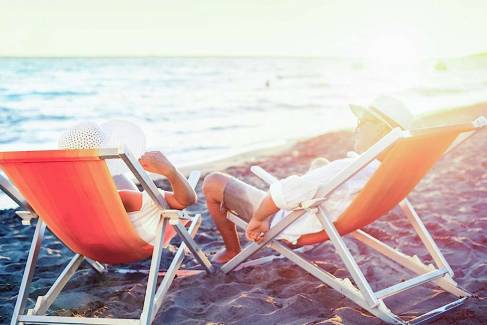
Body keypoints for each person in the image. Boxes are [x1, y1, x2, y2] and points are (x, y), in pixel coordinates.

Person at [202, 97, 415, 263]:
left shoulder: (346, 169)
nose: (357, 125)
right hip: (321, 213)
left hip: (287, 222)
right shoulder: (386, 170)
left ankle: (232, 251)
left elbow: (282, 196)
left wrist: (258, 219)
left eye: (364, 120)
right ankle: (311, 175)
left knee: (214, 181)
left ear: (385, 130)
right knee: (320, 162)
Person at [58, 121, 197, 245]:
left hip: (88, 244)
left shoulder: (61, 199)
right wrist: (170, 171)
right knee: (194, 218)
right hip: (134, 242)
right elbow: (187, 200)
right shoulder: (125, 199)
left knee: (117, 177)